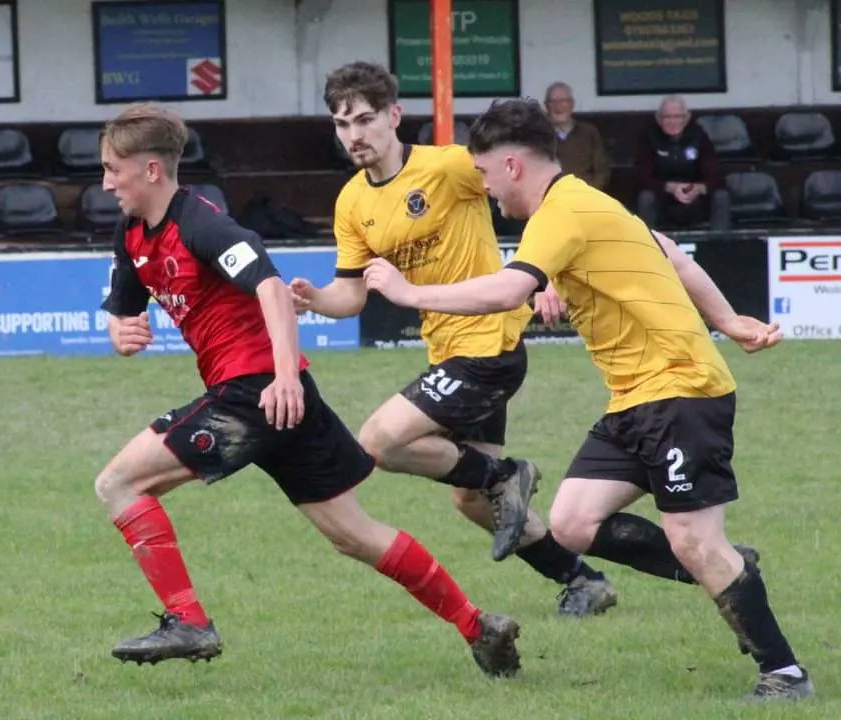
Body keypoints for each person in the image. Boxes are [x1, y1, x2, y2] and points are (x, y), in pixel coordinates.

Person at [362, 98, 813, 701]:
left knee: (695, 540)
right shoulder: (586, 205)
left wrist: (411, 291)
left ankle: (784, 672)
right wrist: (729, 321)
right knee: (573, 523)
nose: (489, 190)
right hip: (633, 398)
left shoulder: (561, 212)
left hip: (680, 388)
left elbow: (508, 290)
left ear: (515, 165)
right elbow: (672, 254)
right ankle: (732, 574)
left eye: (488, 175)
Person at [93, 102, 523, 677]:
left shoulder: (203, 223)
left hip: (256, 393)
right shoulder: (131, 236)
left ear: (150, 170)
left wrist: (285, 376)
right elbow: (122, 312)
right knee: (354, 535)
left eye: (112, 169)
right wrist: (120, 329)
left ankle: (188, 621)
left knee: (118, 483)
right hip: (278, 398)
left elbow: (269, 286)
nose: (104, 183)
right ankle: (478, 625)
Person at [290, 61, 617, 617]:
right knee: (471, 501)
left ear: (394, 116)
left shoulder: (445, 167)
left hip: (489, 345)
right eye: (343, 124)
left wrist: (548, 276)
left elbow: (539, 193)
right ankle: (582, 580)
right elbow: (351, 294)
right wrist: (314, 299)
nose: (355, 135)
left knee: (379, 441)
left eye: (366, 119)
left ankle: (507, 475)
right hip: (451, 352)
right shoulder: (352, 202)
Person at [635, 95, 730, 231]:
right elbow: (641, 177)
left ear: (687, 118)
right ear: (658, 118)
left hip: (695, 200)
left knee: (721, 196)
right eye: (667, 117)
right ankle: (649, 244)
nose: (672, 121)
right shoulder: (648, 137)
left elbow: (716, 176)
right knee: (645, 197)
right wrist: (670, 188)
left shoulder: (699, 136)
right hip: (663, 200)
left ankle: (720, 244)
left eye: (677, 117)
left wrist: (698, 188)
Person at [544, 81, 610, 190]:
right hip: (550, 198)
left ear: (572, 104)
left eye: (563, 101)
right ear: (546, 105)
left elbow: (601, 171)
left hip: (584, 196)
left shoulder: (589, 132)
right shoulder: (537, 135)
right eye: (553, 102)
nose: (558, 106)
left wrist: (589, 192)